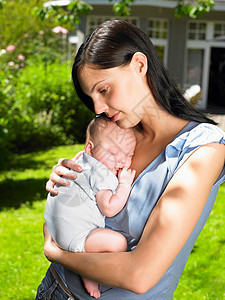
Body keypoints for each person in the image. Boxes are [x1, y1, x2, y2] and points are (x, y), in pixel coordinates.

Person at [36, 20, 225, 299]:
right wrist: (64, 186)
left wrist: (55, 251)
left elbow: (140, 275)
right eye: (91, 96)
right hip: (54, 290)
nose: (98, 108)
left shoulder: (202, 150)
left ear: (139, 65)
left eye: (103, 89)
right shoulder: (115, 132)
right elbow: (70, 217)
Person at [44, 115, 136, 298]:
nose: (121, 161)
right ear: (90, 149)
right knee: (118, 242)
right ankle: (89, 271)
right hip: (76, 235)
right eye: (113, 153)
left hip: (56, 230)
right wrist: (124, 184)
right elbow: (109, 207)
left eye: (128, 155)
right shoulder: (102, 172)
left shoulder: (81, 160)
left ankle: (86, 271)